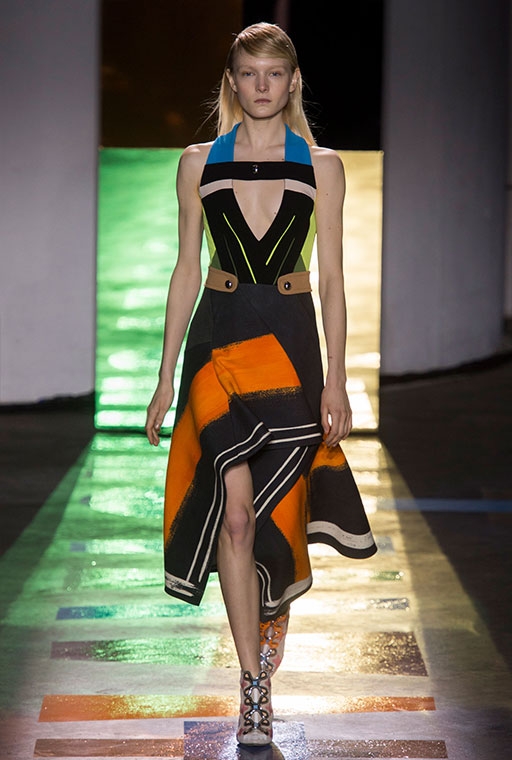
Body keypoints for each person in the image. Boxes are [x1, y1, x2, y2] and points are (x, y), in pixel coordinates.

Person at [145, 21, 377, 747]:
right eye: (249, 72)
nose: (262, 85)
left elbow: (332, 281)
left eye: (274, 73)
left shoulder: (322, 167)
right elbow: (187, 269)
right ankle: (252, 687)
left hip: (289, 344)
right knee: (237, 517)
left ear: (293, 81)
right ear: (232, 81)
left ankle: (273, 608)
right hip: (217, 343)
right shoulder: (197, 163)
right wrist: (163, 378)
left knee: (278, 510)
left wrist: (337, 380)